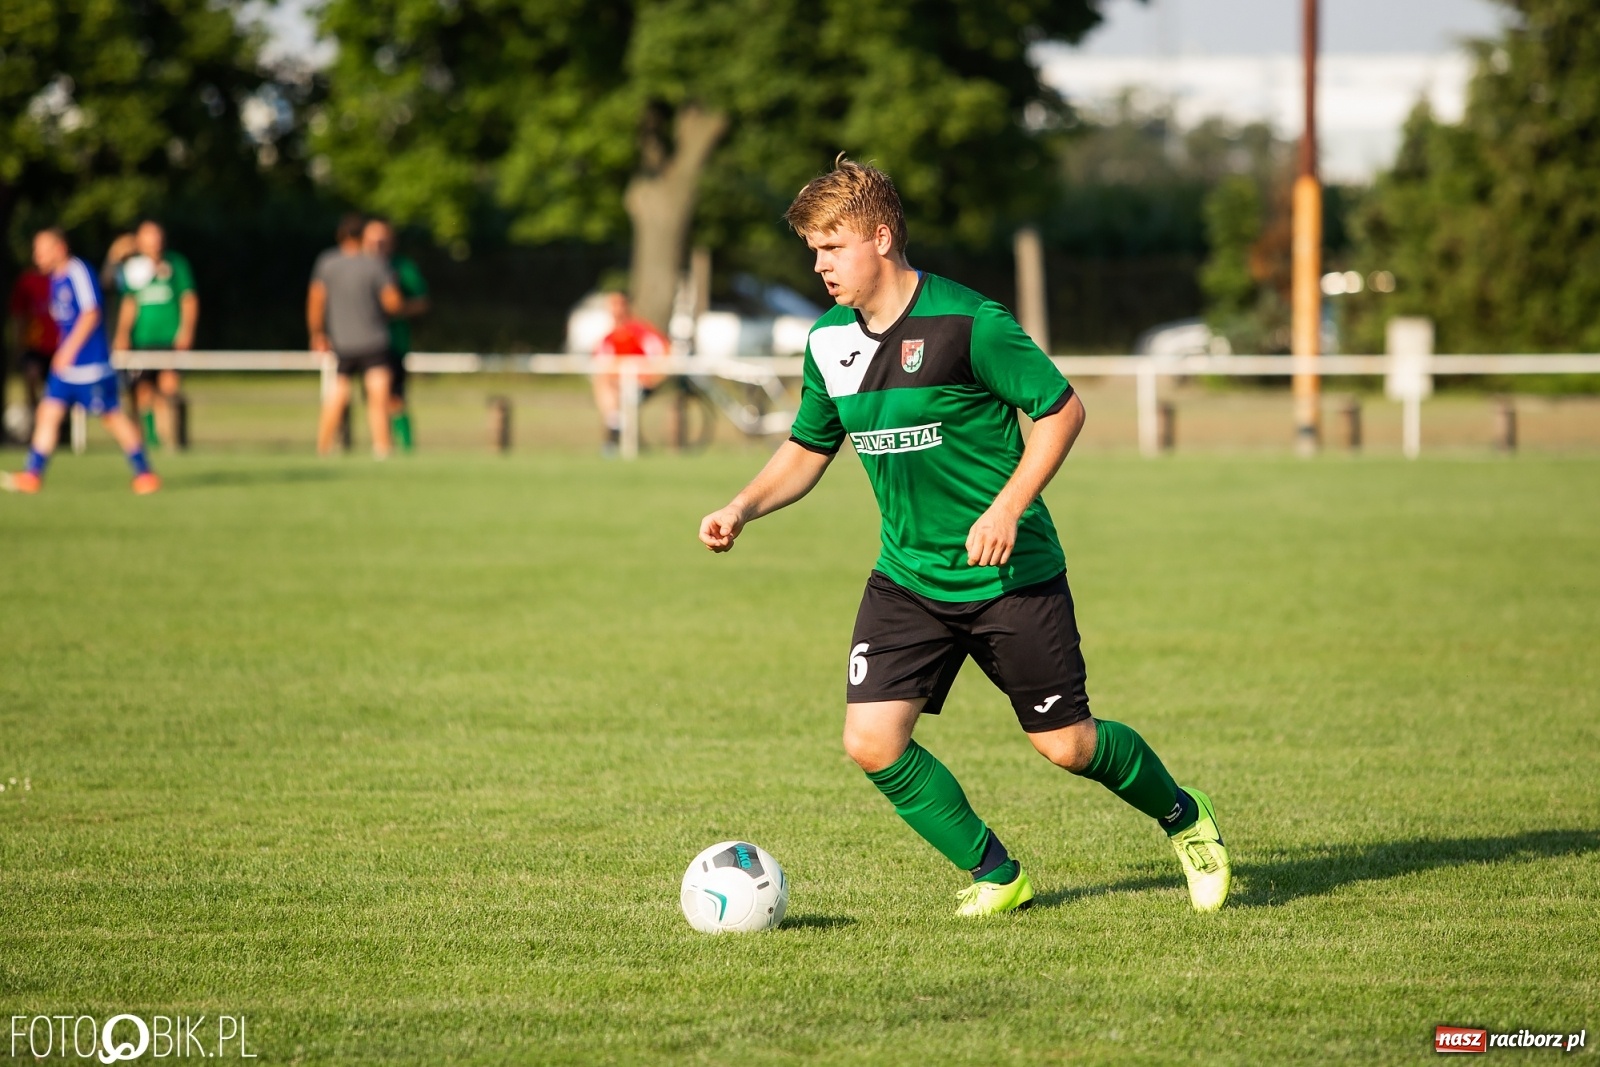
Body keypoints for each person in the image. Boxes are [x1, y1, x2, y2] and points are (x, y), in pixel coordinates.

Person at [696, 158, 1230, 917]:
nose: (819, 266)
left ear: (882, 238)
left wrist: (1008, 508)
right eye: (813, 250)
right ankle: (998, 874)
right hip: (909, 576)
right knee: (872, 742)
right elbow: (809, 447)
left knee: (1068, 746)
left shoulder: (969, 322)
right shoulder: (827, 342)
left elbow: (1062, 410)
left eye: (833, 247)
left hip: (1010, 575)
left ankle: (1184, 816)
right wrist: (742, 506)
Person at [3, 228, 159, 495]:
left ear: (60, 248)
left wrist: (66, 351)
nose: (37, 256)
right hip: (67, 370)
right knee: (48, 414)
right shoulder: (55, 279)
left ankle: (145, 474)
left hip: (90, 367)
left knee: (112, 418)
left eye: (42, 250)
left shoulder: (78, 271)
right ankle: (32, 475)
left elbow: (91, 313)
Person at [307, 213, 403, 458]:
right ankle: (382, 449)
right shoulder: (376, 264)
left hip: (342, 342)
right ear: (364, 236)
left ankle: (323, 448)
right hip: (374, 341)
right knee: (378, 398)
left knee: (337, 395)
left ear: (340, 235)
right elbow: (393, 303)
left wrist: (317, 333)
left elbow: (316, 300)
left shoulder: (327, 263)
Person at [113, 220, 198, 448]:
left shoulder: (176, 264)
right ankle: (150, 441)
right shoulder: (133, 268)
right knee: (142, 391)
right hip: (142, 339)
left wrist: (187, 330)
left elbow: (188, 298)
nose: (154, 242)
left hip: (169, 338)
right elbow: (129, 302)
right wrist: (122, 334)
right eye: (148, 237)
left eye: (157, 236)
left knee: (169, 387)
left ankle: (172, 439)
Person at [362, 217, 429, 452]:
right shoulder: (354, 265)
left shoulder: (402, 267)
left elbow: (421, 301)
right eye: (372, 240)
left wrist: (396, 310)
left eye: (383, 240)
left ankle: (405, 447)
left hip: (392, 343)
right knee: (360, 396)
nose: (377, 245)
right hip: (358, 342)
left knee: (394, 397)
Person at [591, 291, 668, 454]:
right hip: (618, 385)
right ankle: (615, 425)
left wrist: (652, 377)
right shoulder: (608, 337)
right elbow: (601, 362)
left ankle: (614, 428)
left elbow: (663, 353)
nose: (615, 309)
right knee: (603, 382)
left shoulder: (640, 331)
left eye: (618, 304)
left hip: (640, 384)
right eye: (612, 305)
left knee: (607, 385)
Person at [7, 264, 59, 434]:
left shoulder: (62, 278)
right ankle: (35, 420)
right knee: (31, 376)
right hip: (35, 345)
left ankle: (61, 426)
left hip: (59, 347)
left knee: (57, 389)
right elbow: (19, 316)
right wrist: (19, 345)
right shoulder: (27, 281)